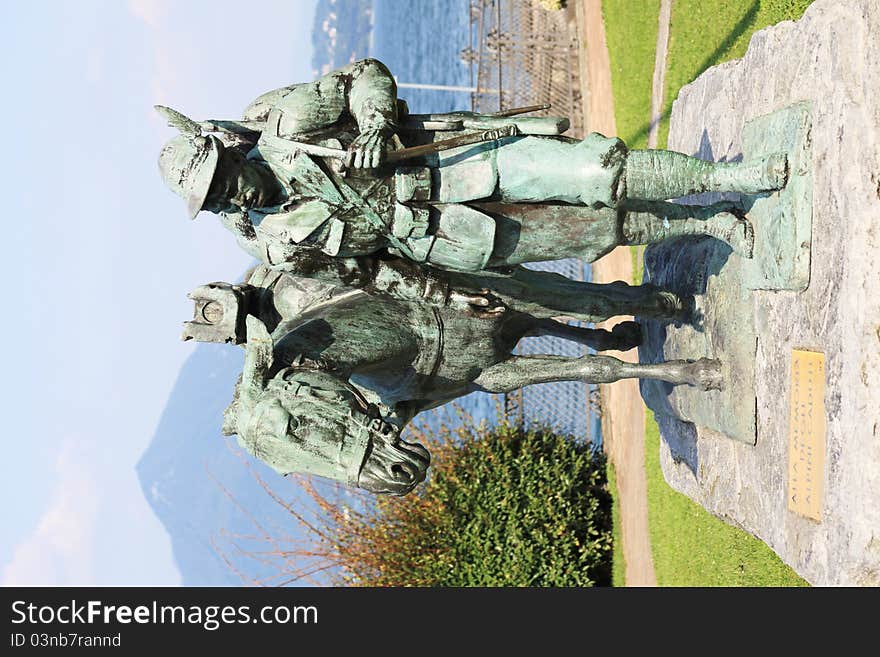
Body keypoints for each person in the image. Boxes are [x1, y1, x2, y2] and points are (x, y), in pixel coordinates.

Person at [157, 58, 787, 276]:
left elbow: (365, 76)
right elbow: (360, 272)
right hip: (445, 242)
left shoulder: (291, 125)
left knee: (600, 174)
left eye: (222, 186)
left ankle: (729, 178)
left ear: (229, 151)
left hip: (459, 165)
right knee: (598, 232)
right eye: (216, 205)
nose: (230, 201)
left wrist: (375, 122)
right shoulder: (271, 238)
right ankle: (711, 228)